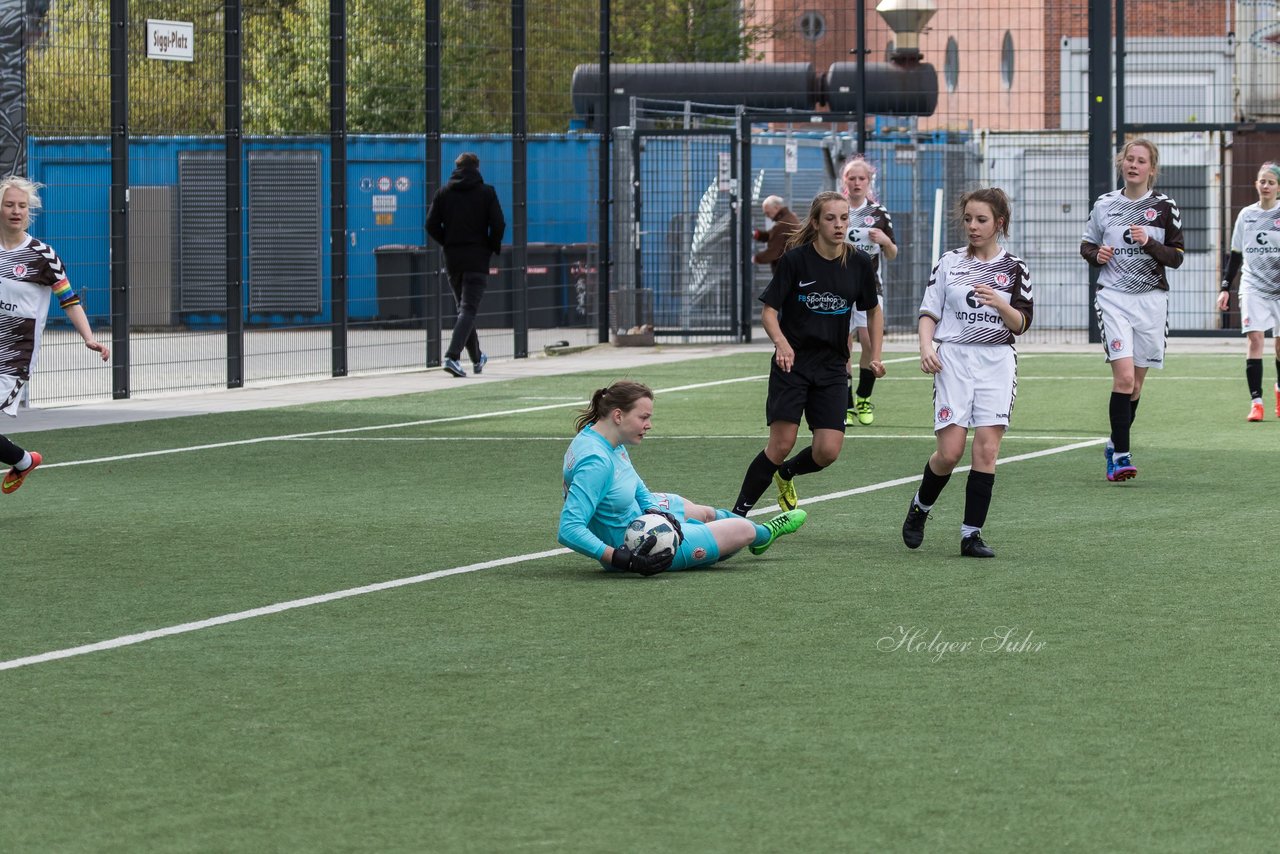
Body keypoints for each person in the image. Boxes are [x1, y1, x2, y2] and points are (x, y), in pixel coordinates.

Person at [730, 191, 884, 518]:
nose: (839, 224)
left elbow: (873, 311)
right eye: (831, 218)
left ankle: (786, 474)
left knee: (827, 451)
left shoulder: (858, 263)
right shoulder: (795, 260)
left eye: (844, 218)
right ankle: (736, 517)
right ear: (815, 222)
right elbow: (769, 312)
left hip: (831, 367)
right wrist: (781, 343)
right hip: (794, 363)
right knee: (780, 444)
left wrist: (876, 354)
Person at [901, 187, 1033, 559]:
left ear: (999, 224)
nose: (973, 227)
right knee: (949, 452)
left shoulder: (1014, 268)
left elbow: (1022, 323)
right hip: (954, 360)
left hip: (996, 361)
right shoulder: (949, 262)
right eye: (968, 219)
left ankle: (971, 535)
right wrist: (926, 346)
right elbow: (930, 313)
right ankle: (920, 508)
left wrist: (998, 302)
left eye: (982, 220)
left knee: (986, 450)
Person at [558, 381, 807, 576]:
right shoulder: (596, 462)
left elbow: (635, 485)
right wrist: (624, 559)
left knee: (704, 512)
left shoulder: (604, 437)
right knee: (743, 529)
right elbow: (569, 528)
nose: (649, 425)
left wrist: (657, 510)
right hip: (641, 547)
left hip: (641, 515)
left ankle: (704, 532)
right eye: (643, 418)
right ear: (618, 415)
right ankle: (764, 534)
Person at [1081, 138, 1184, 482]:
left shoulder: (1165, 207)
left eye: (1141, 161)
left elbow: (1177, 257)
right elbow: (1087, 244)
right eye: (1129, 159)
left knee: (1136, 386)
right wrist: (1097, 255)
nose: (1134, 165)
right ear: (1121, 163)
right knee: (1123, 378)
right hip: (1113, 298)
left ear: (1151, 169)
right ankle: (1123, 455)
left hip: (1151, 301)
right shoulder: (1105, 204)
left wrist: (1150, 242)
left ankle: (1114, 444)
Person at [0, 175, 110, 495]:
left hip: (14, 357)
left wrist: (88, 337)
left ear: (29, 211)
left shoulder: (42, 255)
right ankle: (23, 461)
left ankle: (22, 460)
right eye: (9, 205)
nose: (15, 211)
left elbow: (69, 299)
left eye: (22, 206)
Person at [426, 152, 506, 378]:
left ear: (456, 167)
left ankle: (477, 357)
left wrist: (448, 241)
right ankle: (452, 356)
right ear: (477, 167)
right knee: (468, 309)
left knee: (464, 308)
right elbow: (498, 223)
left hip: (453, 259)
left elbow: (430, 224)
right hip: (477, 258)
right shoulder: (486, 192)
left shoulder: (443, 193)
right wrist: (491, 246)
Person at [1216, 161, 1280, 422]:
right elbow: (1236, 255)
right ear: (1256, 184)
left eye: (1271, 182)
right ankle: (1257, 402)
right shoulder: (1246, 215)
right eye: (1262, 181)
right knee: (1255, 339)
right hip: (1252, 285)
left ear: (1278, 187)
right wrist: (1225, 288)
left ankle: (1279, 392)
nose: (1265, 186)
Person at [840, 155, 897, 426]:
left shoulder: (878, 214)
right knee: (842, 345)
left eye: (861, 178)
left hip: (869, 288)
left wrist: (885, 240)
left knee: (869, 342)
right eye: (852, 177)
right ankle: (846, 404)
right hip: (838, 288)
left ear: (869, 181)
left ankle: (864, 397)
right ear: (845, 181)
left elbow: (893, 253)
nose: (857, 182)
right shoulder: (837, 211)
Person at [752, 195, 799, 274]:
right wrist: (756, 234)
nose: (767, 216)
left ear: (776, 208)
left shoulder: (783, 224)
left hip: (786, 270)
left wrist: (755, 258)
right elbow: (772, 235)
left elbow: (773, 251)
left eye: (768, 213)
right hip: (792, 267)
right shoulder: (789, 218)